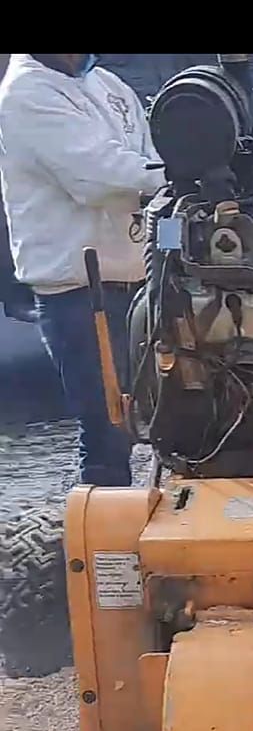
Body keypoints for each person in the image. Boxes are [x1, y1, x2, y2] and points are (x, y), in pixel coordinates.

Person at [0, 54, 164, 486]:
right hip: (80, 293)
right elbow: (98, 178)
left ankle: (164, 515)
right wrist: (177, 178)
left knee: (171, 416)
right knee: (107, 432)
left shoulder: (107, 84)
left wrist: (172, 175)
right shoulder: (26, 93)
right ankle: (102, 523)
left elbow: (151, 155)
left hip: (140, 280)